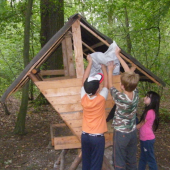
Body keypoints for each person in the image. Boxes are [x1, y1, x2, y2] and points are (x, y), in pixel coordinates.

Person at [107, 47, 140, 170]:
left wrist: (110, 70)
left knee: (119, 162)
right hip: (132, 132)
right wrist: (118, 55)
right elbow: (129, 74)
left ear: (121, 86)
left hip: (121, 134)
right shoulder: (135, 93)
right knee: (131, 161)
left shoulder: (120, 98)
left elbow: (110, 86)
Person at [81, 54, 108, 170]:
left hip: (85, 136)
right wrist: (104, 69)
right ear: (98, 89)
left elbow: (83, 81)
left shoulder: (83, 97)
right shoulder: (101, 99)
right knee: (96, 164)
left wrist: (90, 62)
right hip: (97, 138)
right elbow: (106, 84)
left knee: (86, 162)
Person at [137, 91, 160, 170]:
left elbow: (140, 125)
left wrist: (130, 127)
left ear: (152, 100)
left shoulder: (150, 112)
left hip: (147, 139)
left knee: (150, 159)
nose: (145, 98)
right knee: (143, 158)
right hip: (144, 138)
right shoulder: (148, 111)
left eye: (147, 97)